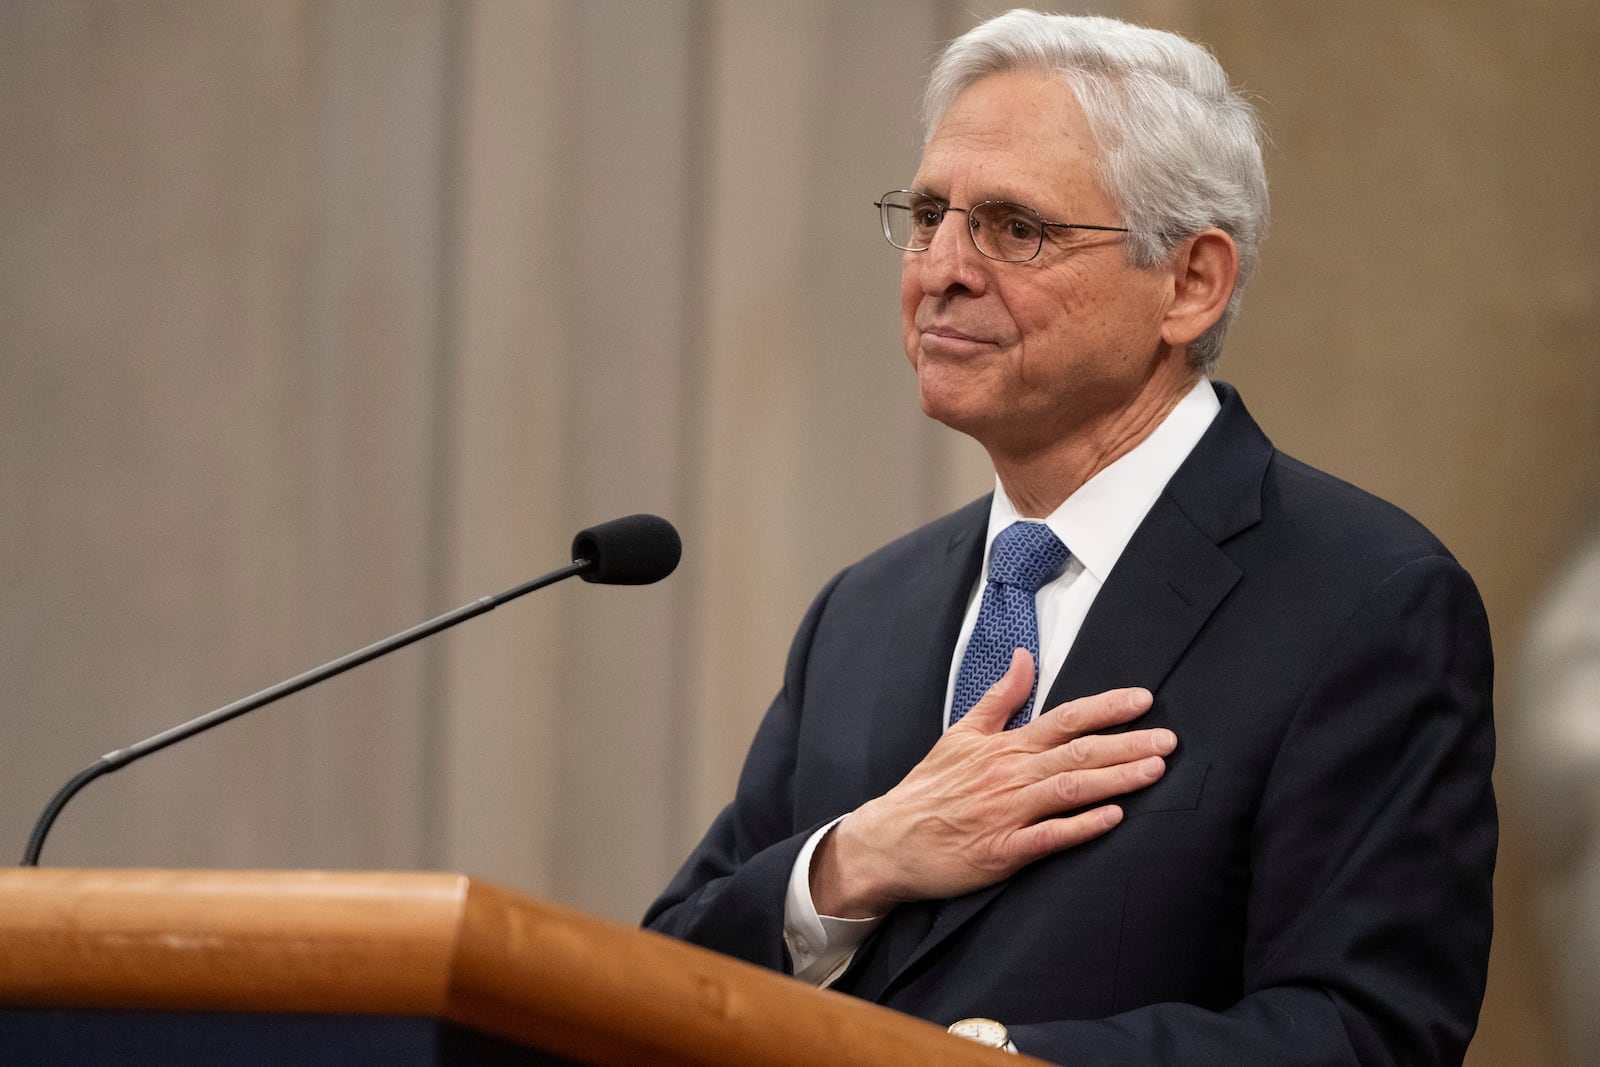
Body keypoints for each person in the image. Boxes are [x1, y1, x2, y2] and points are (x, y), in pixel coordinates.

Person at [645, 10, 1496, 1065]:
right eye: (925, 215)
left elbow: (1368, 1029)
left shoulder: (1364, 601)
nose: (940, 267)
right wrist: (851, 862)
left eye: (1014, 227)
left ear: (1190, 282)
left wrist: (995, 1059)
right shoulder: (865, 611)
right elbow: (655, 976)